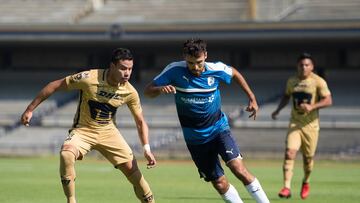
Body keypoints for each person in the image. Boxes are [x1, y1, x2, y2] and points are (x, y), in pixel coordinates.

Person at [20, 48, 156, 203]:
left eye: (130, 69)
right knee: (66, 154)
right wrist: (30, 109)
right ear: (112, 66)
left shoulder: (130, 92)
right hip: (83, 130)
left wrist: (147, 148)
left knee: (134, 173)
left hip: (109, 133)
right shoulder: (88, 78)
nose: (127, 73)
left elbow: (140, 122)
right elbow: (54, 85)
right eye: (123, 68)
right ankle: (71, 200)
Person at [144, 39, 270, 203]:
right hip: (195, 139)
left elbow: (235, 73)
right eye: (190, 63)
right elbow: (148, 91)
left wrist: (252, 98)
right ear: (184, 58)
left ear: (205, 56)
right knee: (219, 183)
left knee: (238, 169)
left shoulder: (215, 69)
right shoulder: (174, 70)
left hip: (219, 129)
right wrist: (160, 89)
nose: (195, 67)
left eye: (199, 62)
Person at [271, 53, 332, 199]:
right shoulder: (292, 81)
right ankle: (286, 187)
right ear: (297, 66)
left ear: (312, 67)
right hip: (295, 123)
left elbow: (328, 100)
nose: (303, 67)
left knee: (308, 160)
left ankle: (306, 181)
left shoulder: (318, 82)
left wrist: (312, 106)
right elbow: (287, 95)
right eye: (301, 65)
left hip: (311, 126)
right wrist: (278, 110)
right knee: (289, 153)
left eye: (307, 65)